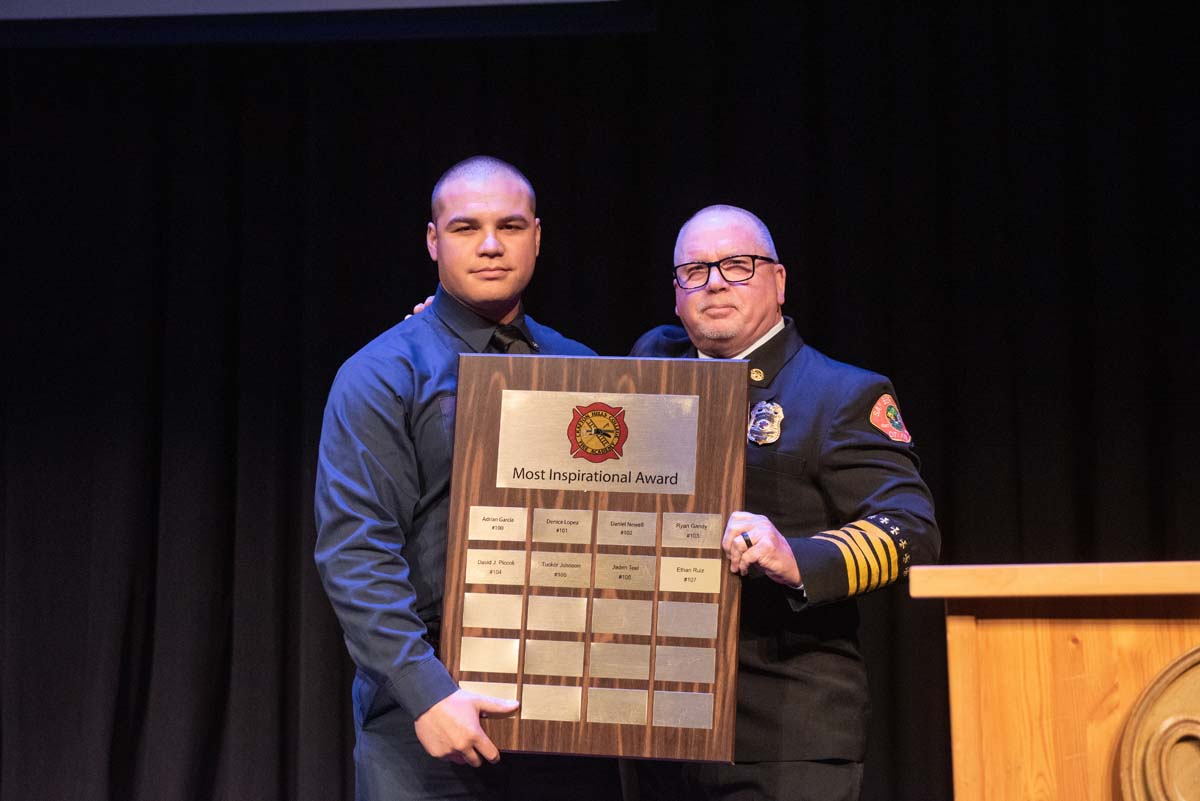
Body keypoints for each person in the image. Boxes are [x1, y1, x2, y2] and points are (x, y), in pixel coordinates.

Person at [314, 156, 615, 800]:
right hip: (425, 713)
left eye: (509, 226)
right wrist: (428, 694)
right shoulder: (382, 374)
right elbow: (356, 553)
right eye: (464, 227)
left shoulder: (587, 370)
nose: (488, 245)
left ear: (538, 235)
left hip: (570, 714)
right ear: (432, 241)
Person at [628, 205, 940, 801]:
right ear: (675, 295)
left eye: (738, 266)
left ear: (779, 280)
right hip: (660, 725)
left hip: (784, 729)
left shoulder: (841, 393)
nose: (715, 281)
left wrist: (796, 558)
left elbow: (911, 530)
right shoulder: (653, 369)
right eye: (695, 270)